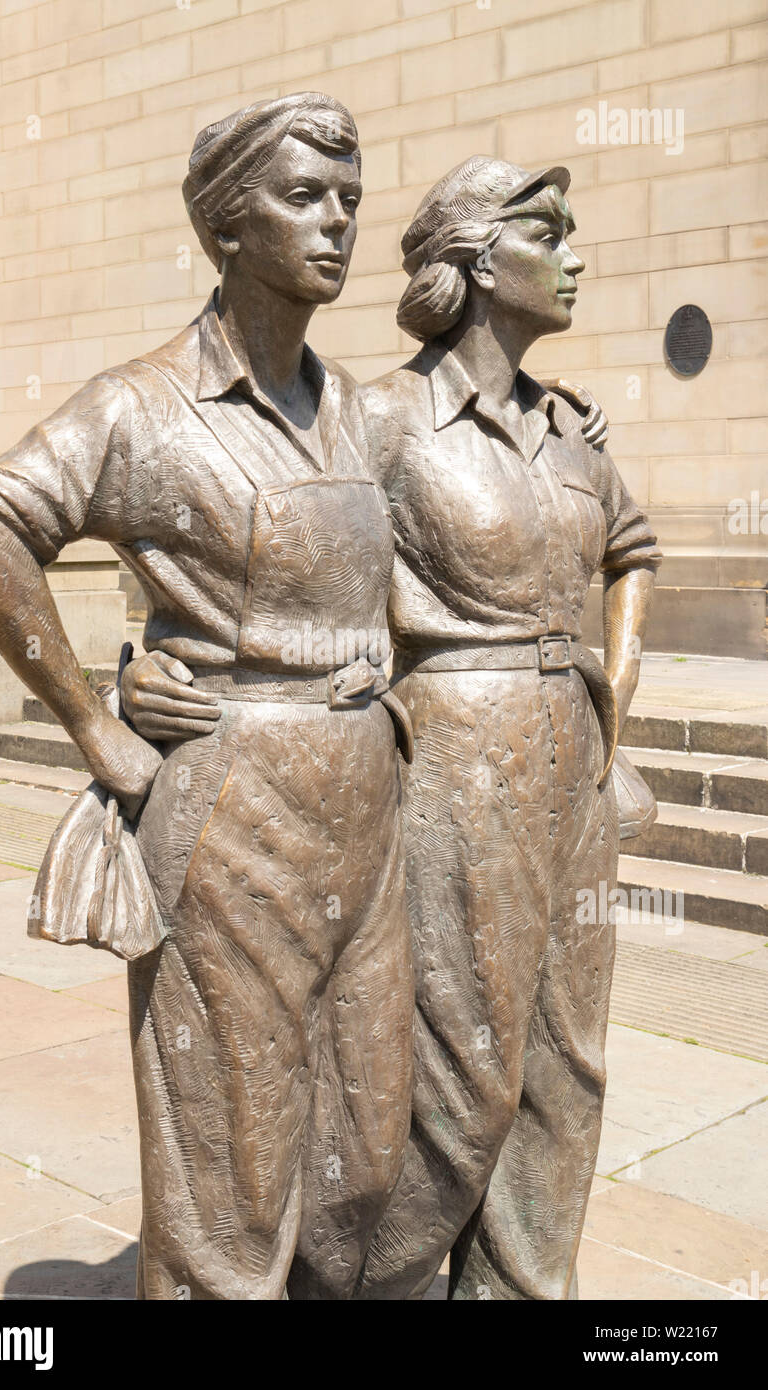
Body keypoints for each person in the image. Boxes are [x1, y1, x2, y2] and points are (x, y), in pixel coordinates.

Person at [0, 93, 415, 1301]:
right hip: (232, 816)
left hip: (364, 807)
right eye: (302, 196)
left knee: (364, 1155)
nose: (337, 223)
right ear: (223, 226)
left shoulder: (352, 403)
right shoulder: (143, 405)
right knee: (229, 1170)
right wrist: (96, 718)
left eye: (349, 198)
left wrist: (547, 415)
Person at [348, 158, 662, 1299]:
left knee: (563, 1063)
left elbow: (630, 553)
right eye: (552, 234)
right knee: (459, 1071)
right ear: (483, 259)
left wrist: (609, 705)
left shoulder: (572, 430)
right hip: (450, 757)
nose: (577, 255)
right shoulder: (378, 418)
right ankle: (362, 1281)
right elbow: (272, 560)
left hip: (568, 764)